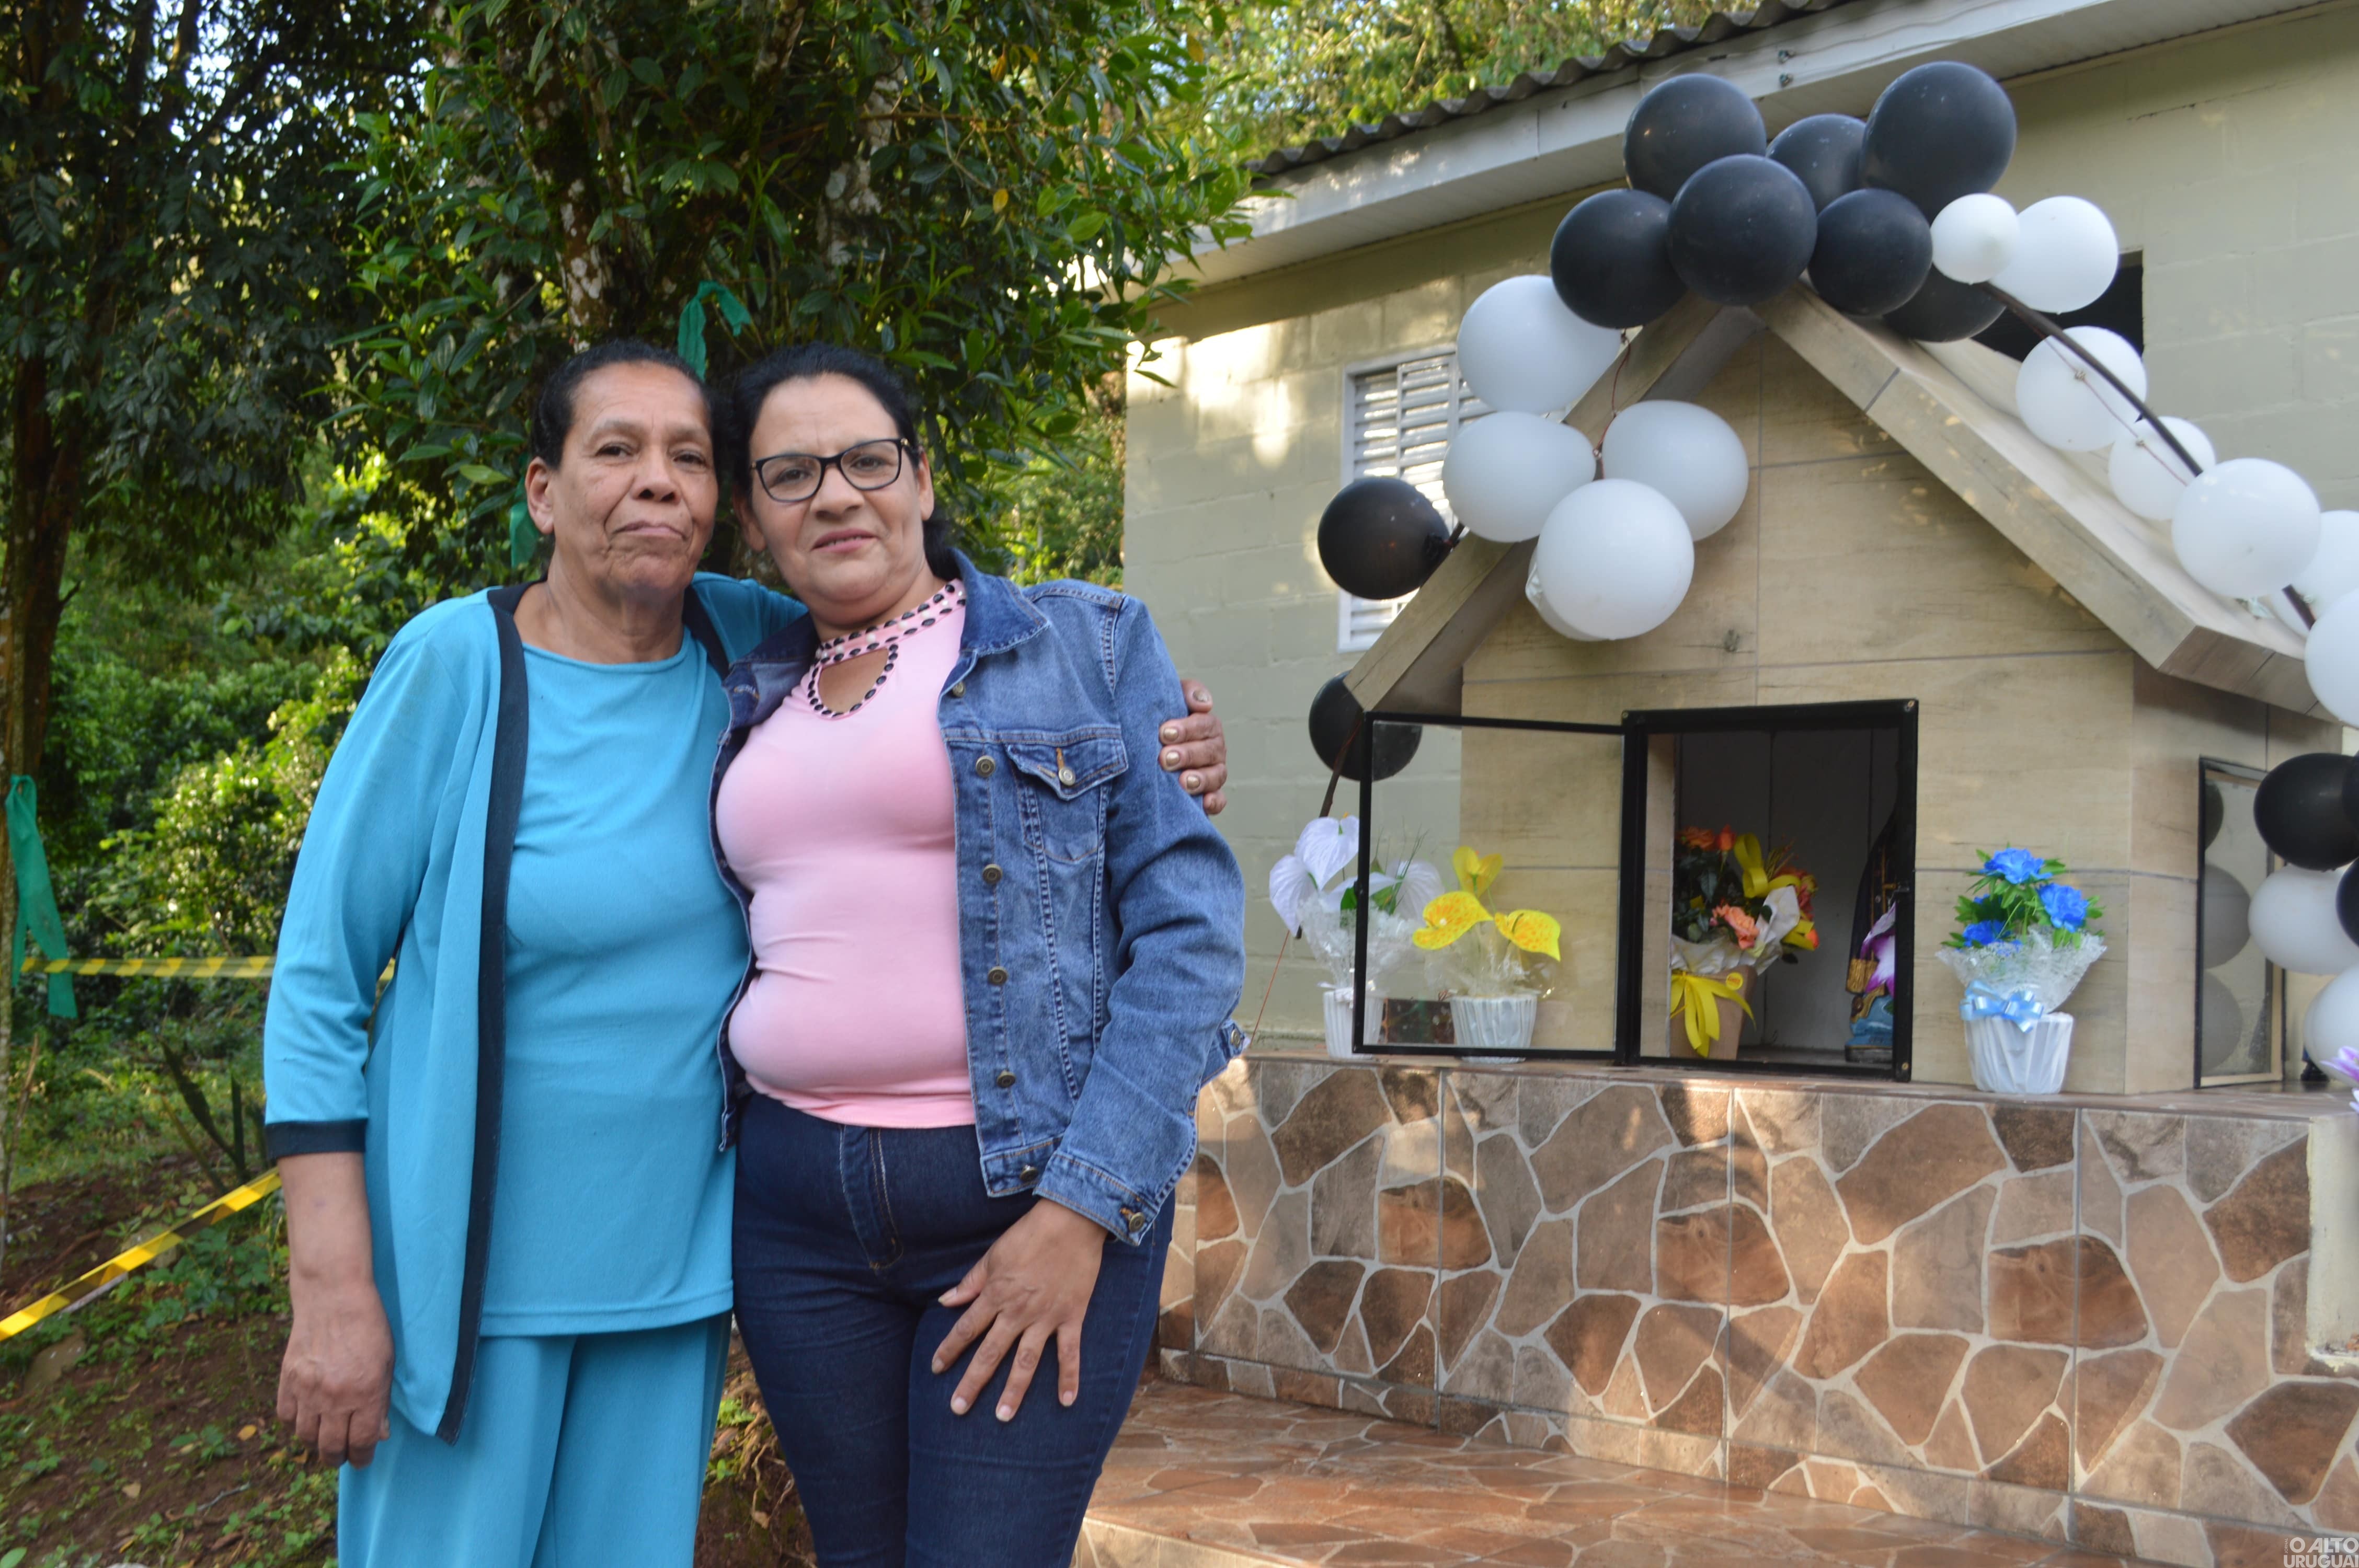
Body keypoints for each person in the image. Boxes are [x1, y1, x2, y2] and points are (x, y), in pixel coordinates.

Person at [261, 339, 1231, 1567]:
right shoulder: (493, 664)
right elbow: (318, 989)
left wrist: (1171, 748)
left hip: (683, 1274)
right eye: (615, 451)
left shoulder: (773, 647)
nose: (658, 483)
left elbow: (1031, 736)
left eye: (690, 458)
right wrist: (333, 1289)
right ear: (543, 493)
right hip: (495, 1275)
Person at [713, 341, 1245, 1568]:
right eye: (789, 476)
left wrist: (1080, 1212)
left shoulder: (1088, 642)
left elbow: (1190, 937)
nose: (835, 495)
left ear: (923, 474)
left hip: (1022, 1196)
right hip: (794, 1215)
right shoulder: (746, 686)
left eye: (866, 459)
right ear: (751, 518)